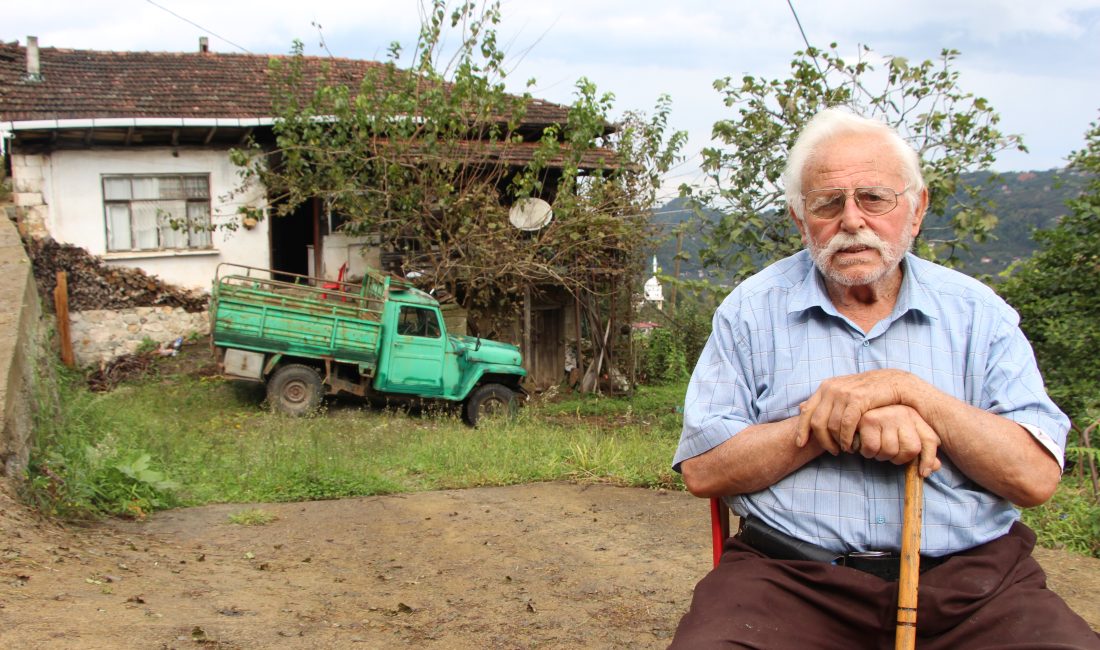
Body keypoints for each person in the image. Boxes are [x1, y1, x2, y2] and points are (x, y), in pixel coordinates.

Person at [669, 107, 1099, 649]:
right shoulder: (751, 311)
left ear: (916, 209)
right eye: (828, 203)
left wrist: (912, 395)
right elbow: (704, 472)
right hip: (789, 579)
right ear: (801, 220)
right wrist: (828, 425)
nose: (852, 221)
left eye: (874, 198)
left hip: (975, 587)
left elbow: (1035, 479)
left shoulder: (978, 312)